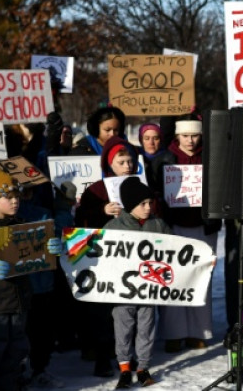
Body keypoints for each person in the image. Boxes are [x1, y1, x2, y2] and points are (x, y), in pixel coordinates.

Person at [0, 167, 61, 391]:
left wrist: (50, 248)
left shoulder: (22, 225)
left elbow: (37, 256)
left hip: (19, 301)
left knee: (16, 350)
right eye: (9, 197)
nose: (15, 201)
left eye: (17, 196)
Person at [74, 135, 142, 376]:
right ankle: (103, 357)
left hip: (131, 258)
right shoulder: (96, 189)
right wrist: (101, 210)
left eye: (130, 161)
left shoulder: (139, 185)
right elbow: (80, 220)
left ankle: (126, 356)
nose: (127, 166)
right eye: (121, 161)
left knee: (128, 309)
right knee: (103, 312)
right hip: (103, 260)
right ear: (109, 164)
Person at [151, 117, 218, 353]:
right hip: (173, 226)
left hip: (203, 225)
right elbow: (153, 190)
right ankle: (173, 333)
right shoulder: (163, 159)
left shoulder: (211, 158)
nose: (190, 140)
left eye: (195, 135)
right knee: (172, 278)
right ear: (177, 136)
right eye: (186, 135)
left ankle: (199, 332)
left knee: (201, 279)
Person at [105, 178, 172, 388]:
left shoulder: (158, 224)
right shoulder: (115, 225)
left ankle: (143, 368)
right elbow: (98, 251)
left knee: (146, 327)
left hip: (148, 289)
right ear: (129, 204)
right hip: (123, 291)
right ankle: (125, 368)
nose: (148, 207)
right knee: (123, 327)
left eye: (150, 203)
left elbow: (176, 250)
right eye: (142, 203)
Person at [137, 123, 164, 187]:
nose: (151, 142)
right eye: (146, 138)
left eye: (155, 138)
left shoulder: (169, 157)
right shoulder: (134, 157)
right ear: (141, 140)